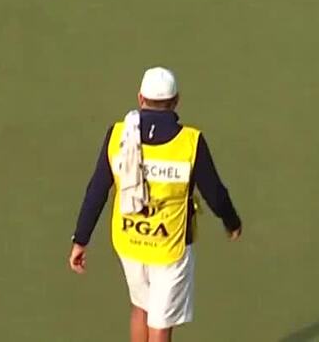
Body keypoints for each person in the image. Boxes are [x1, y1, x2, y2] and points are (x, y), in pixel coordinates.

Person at [68, 67, 243, 341]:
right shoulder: (190, 142)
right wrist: (232, 222)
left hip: (130, 243)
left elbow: (97, 189)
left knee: (140, 308)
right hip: (170, 249)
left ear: (140, 98)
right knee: (160, 323)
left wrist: (81, 239)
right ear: (176, 101)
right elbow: (215, 193)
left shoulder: (118, 135)